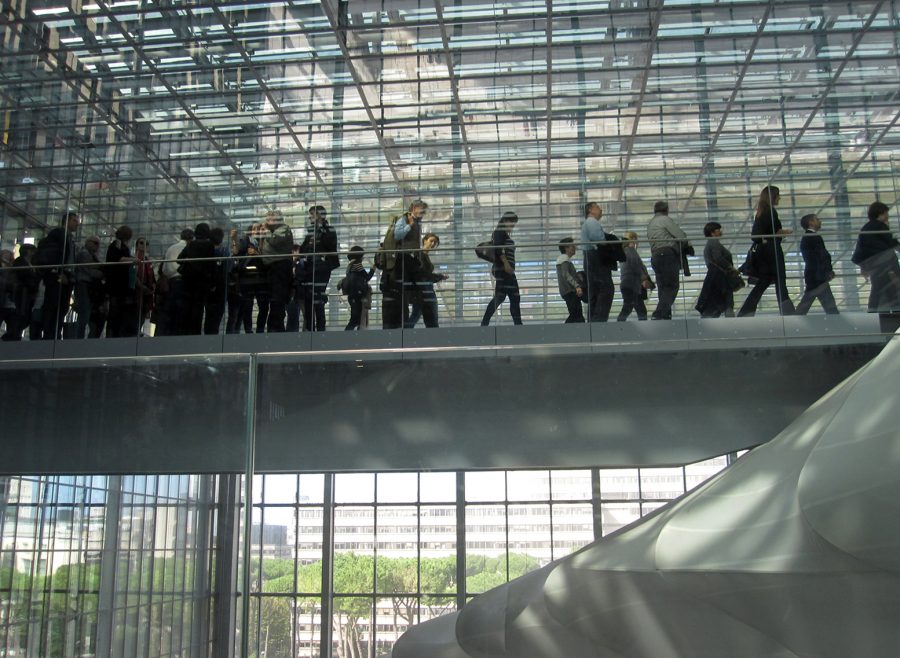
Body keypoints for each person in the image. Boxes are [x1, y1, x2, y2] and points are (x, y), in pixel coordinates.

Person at [738, 185, 795, 316]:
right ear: (773, 196)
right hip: (772, 252)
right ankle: (788, 312)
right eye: (778, 195)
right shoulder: (770, 211)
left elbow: (758, 234)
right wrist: (785, 232)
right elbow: (770, 232)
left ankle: (746, 311)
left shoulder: (761, 211)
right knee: (780, 280)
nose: (780, 197)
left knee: (764, 281)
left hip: (764, 254)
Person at [380, 200, 428, 329]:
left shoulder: (417, 222)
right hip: (403, 259)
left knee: (412, 292)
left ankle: (407, 319)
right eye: (421, 210)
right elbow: (397, 235)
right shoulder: (405, 219)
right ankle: (405, 322)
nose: (423, 213)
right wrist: (409, 225)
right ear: (413, 208)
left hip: (410, 260)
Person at [36, 211, 80, 339]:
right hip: (58, 276)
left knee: (60, 308)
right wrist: (59, 273)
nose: (77, 224)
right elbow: (54, 255)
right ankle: (50, 336)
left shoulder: (68, 238)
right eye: (74, 221)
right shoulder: (60, 234)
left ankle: (53, 334)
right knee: (54, 306)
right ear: (67, 221)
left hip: (64, 276)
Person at [852, 201, 900, 312]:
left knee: (885, 289)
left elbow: (862, 249)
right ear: (881, 213)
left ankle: (885, 312)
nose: (887, 216)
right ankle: (893, 313)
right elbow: (891, 242)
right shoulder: (880, 226)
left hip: (874, 266)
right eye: (886, 213)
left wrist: (863, 266)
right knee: (884, 290)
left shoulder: (866, 228)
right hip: (884, 265)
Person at [297, 205, 339, 331]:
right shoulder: (311, 231)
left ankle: (320, 329)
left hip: (322, 268)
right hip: (310, 268)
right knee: (310, 298)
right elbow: (303, 249)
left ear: (319, 216)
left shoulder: (329, 230)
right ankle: (310, 328)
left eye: (313, 214)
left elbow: (331, 246)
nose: (310, 217)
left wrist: (320, 231)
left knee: (318, 297)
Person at [646, 201, 690, 320]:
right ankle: (659, 313)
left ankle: (665, 314)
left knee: (663, 287)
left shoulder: (650, 224)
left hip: (655, 256)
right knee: (672, 285)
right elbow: (681, 236)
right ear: (666, 210)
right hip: (667, 254)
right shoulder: (665, 220)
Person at [481, 211, 523, 326]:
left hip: (505, 271)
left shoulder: (504, 234)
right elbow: (499, 249)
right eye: (512, 222)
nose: (513, 226)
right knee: (511, 298)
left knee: (502, 297)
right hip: (504, 271)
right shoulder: (499, 233)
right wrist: (506, 263)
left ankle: (485, 323)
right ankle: (518, 326)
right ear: (505, 221)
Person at [795, 214, 839, 315]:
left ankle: (794, 322)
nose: (820, 221)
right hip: (818, 277)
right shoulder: (813, 237)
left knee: (808, 303)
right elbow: (822, 257)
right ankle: (837, 325)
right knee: (829, 307)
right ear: (811, 222)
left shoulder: (807, 238)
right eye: (817, 219)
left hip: (815, 276)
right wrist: (827, 271)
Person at [177, 223, 215, 335]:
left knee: (188, 308)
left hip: (188, 281)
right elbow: (211, 264)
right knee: (198, 309)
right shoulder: (209, 245)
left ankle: (186, 331)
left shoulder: (191, 244)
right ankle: (196, 332)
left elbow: (179, 259)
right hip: (202, 282)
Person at [259, 210, 293, 332]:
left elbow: (275, 241)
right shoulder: (272, 231)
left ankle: (275, 327)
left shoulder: (284, 229)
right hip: (271, 268)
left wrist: (266, 231)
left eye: (270, 219)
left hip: (280, 267)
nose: (267, 222)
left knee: (277, 299)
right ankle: (274, 326)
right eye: (267, 219)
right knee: (273, 299)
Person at [695, 222, 738, 318]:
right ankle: (729, 315)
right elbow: (718, 258)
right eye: (718, 229)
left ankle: (718, 315)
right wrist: (730, 268)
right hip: (719, 275)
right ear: (712, 232)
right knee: (726, 295)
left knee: (716, 297)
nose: (720, 231)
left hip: (715, 274)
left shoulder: (711, 243)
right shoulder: (713, 242)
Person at [406, 233, 448, 328]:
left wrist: (438, 277)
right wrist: (439, 276)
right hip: (425, 292)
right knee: (431, 319)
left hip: (422, 291)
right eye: (431, 241)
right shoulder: (420, 255)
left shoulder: (423, 255)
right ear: (424, 240)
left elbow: (424, 275)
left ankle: (403, 336)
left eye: (435, 242)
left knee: (416, 316)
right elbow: (423, 274)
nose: (433, 244)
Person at [157, 228, 193, 336]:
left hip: (170, 283)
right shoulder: (188, 248)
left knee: (169, 314)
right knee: (181, 315)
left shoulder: (171, 248)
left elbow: (163, 270)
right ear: (191, 238)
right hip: (183, 284)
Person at [580, 201, 613, 322]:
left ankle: (593, 322)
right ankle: (599, 321)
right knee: (605, 290)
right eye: (598, 207)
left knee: (595, 292)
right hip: (596, 259)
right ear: (590, 210)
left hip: (590, 259)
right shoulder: (592, 222)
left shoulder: (587, 223)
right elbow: (599, 241)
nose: (601, 209)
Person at [105, 225, 140, 337]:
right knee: (116, 311)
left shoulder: (120, 245)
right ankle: (114, 334)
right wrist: (134, 260)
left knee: (118, 311)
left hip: (119, 285)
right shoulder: (118, 244)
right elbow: (119, 259)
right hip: (118, 284)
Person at [73, 236, 105, 338]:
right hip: (83, 285)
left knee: (86, 313)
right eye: (95, 243)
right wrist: (101, 273)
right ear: (88, 242)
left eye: (98, 244)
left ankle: (80, 337)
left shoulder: (91, 255)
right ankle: (78, 339)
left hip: (87, 286)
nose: (97, 246)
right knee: (84, 313)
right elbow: (89, 270)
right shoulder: (84, 254)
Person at [617, 231, 652, 321]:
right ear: (633, 239)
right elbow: (635, 265)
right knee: (633, 308)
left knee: (633, 308)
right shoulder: (630, 250)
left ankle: (619, 324)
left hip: (627, 284)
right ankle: (619, 325)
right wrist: (644, 278)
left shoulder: (623, 251)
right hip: (632, 284)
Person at [343, 246, 376, 331]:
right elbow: (367, 277)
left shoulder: (350, 264)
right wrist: (373, 269)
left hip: (352, 294)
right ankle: (346, 335)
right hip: (358, 294)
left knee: (355, 317)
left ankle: (350, 335)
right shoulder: (357, 264)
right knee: (356, 319)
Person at [556, 237, 584, 323]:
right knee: (576, 315)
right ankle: (563, 333)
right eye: (572, 246)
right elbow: (566, 274)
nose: (574, 248)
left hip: (568, 291)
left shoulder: (563, 259)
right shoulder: (564, 259)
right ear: (566, 248)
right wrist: (577, 286)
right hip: (569, 291)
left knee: (577, 315)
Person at [133, 237, 156, 335]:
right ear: (137, 245)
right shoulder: (134, 258)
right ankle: (135, 331)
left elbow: (152, 275)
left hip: (146, 290)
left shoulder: (147, 260)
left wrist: (152, 286)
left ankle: (138, 330)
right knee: (136, 311)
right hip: (137, 290)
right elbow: (133, 275)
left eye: (146, 244)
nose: (144, 245)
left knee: (143, 311)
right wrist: (141, 286)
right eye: (141, 243)